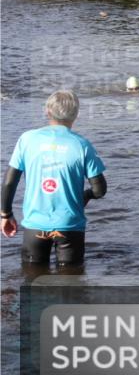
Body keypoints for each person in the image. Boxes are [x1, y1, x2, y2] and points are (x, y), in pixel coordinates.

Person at [1, 90, 107, 267]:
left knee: (32, 279)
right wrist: (86, 196)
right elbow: (100, 189)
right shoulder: (82, 145)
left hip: (35, 225)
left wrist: (6, 214)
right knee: (71, 283)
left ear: (47, 112)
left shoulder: (27, 139)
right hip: (70, 226)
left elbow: (9, 182)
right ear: (76, 114)